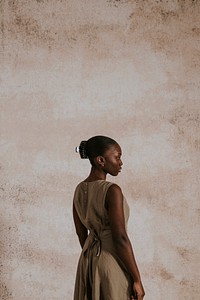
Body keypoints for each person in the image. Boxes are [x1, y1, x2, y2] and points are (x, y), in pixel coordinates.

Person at [73, 135, 145, 300]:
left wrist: (92, 260)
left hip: (88, 261)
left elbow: (80, 233)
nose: (121, 162)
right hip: (111, 261)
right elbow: (119, 238)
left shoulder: (79, 189)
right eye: (117, 157)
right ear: (101, 160)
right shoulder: (112, 190)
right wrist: (137, 279)